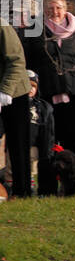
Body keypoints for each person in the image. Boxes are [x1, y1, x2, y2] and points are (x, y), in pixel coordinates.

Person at [24, 0, 75, 153]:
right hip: (45, 94)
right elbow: (26, 63)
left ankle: (71, 177)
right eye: (50, 8)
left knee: (71, 139)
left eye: (58, 8)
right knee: (48, 140)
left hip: (73, 94)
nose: (55, 12)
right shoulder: (35, 30)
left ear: (65, 8)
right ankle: (48, 177)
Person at [0, 19, 31, 197]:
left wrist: (5, 92)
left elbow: (17, 61)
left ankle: (22, 191)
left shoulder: (2, 27)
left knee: (18, 144)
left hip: (15, 93)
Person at [26, 71, 57, 196]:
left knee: (34, 168)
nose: (30, 89)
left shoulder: (44, 107)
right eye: (27, 85)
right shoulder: (16, 105)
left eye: (33, 86)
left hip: (39, 145)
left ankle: (37, 190)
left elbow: (50, 129)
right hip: (23, 144)